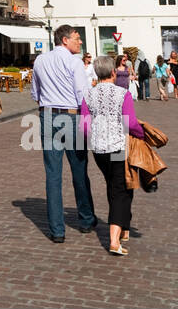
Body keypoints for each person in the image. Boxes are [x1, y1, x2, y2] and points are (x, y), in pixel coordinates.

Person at [29, 24, 96, 243]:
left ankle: (57, 230)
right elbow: (83, 94)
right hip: (71, 115)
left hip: (47, 115)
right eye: (77, 38)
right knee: (79, 169)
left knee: (53, 174)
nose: (80, 42)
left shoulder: (40, 60)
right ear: (64, 40)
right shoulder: (74, 62)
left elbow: (35, 92)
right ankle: (86, 219)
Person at [80, 55, 145, 256]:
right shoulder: (121, 94)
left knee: (116, 185)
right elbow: (130, 123)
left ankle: (123, 227)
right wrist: (141, 134)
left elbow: (84, 127)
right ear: (113, 72)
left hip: (99, 150)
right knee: (120, 188)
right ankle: (114, 239)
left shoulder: (88, 95)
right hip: (117, 147)